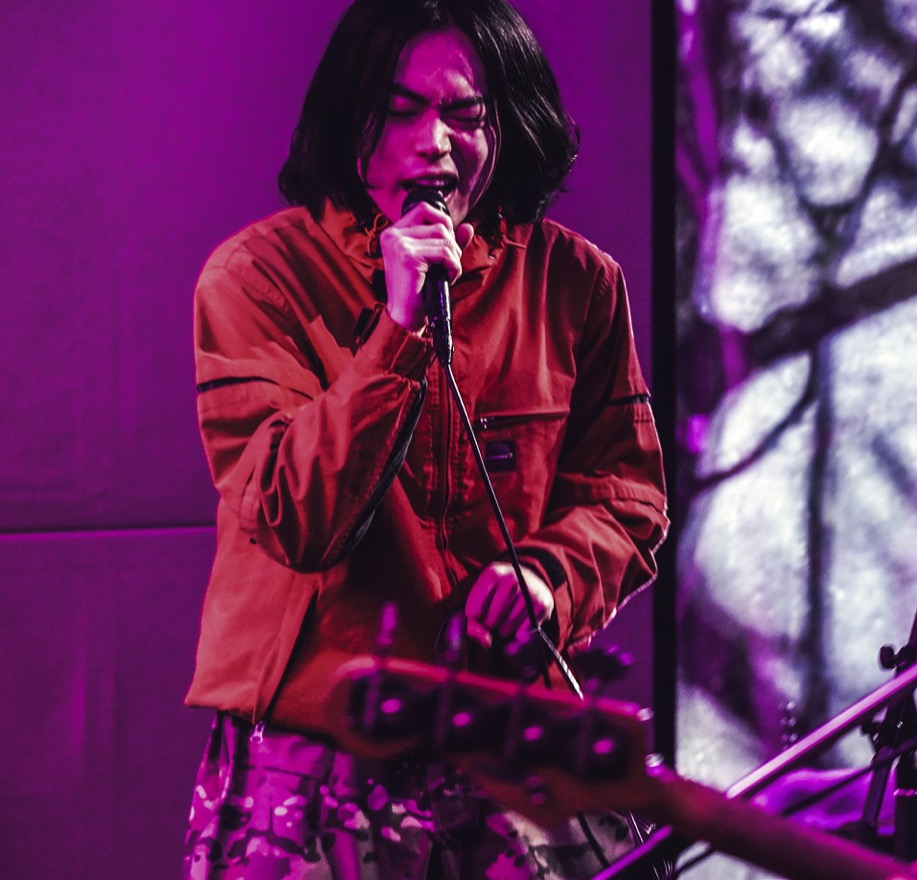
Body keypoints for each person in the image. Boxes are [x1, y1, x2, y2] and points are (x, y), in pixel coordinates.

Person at [180, 1, 668, 877]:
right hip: (321, 756)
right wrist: (398, 333)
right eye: (400, 111)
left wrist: (548, 576)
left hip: (507, 748)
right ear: (351, 119)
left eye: (465, 114)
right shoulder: (257, 279)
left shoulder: (577, 283)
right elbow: (294, 518)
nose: (435, 143)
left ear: (507, 124)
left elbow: (627, 497)